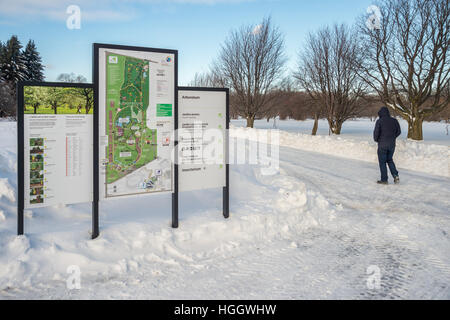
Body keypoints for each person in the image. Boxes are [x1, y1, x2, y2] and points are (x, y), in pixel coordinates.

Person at [373, 106, 401, 185]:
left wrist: (377, 140)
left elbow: (376, 133)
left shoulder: (379, 121)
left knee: (382, 162)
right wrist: (392, 137)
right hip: (392, 144)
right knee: (390, 160)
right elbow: (399, 131)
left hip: (382, 145)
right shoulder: (394, 120)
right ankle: (395, 175)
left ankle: (384, 179)